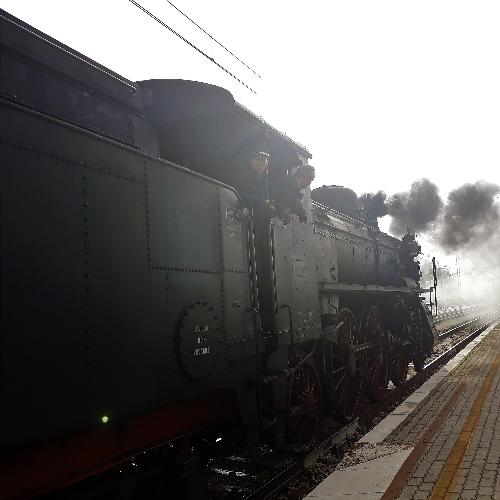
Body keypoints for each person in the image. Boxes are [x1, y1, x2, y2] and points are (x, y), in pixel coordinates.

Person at [229, 147, 276, 218]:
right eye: (257, 159)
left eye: (263, 160)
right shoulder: (242, 176)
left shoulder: (266, 180)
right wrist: (262, 201)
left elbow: (269, 199)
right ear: (250, 160)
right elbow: (239, 195)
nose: (260, 162)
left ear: (267, 163)